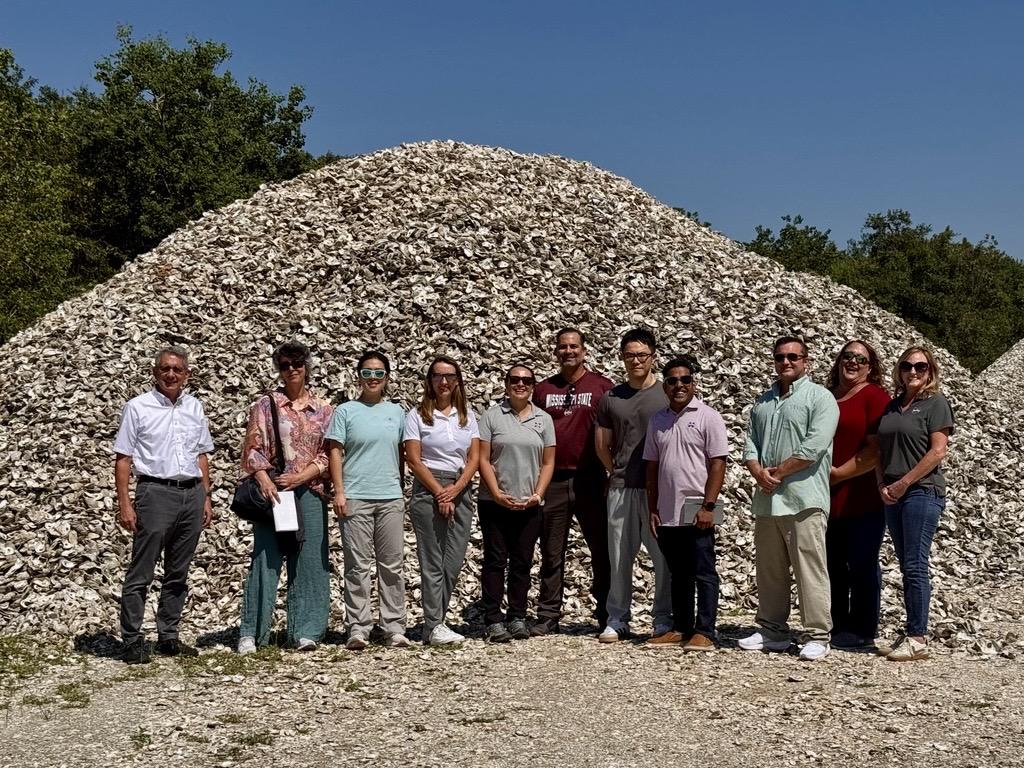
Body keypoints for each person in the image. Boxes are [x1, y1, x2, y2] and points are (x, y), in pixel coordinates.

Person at [739, 336, 839, 661]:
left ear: (805, 360)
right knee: (770, 570)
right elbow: (750, 443)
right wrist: (758, 472)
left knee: (810, 568)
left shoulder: (821, 398)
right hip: (767, 500)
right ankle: (773, 632)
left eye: (793, 357)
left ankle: (818, 635)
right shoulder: (763, 401)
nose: (786, 362)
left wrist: (777, 473)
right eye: (780, 357)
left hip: (803, 499)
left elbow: (814, 448)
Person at [113, 346, 214, 664]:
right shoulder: (137, 407)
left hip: (191, 492)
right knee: (142, 569)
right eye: (165, 369)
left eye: (177, 370)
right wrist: (125, 503)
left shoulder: (195, 407)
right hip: (155, 493)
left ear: (187, 375)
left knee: (178, 571)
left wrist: (206, 496)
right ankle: (131, 639)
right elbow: (124, 458)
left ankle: (168, 635)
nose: (171, 374)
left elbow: (201, 455)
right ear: (155, 372)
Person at [236, 342, 333, 654]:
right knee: (266, 556)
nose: (292, 369)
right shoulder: (266, 405)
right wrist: (264, 478)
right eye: (284, 365)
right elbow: (253, 446)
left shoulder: (324, 409)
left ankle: (306, 631)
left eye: (297, 363)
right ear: (278, 369)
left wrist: (302, 477)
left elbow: (329, 454)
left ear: (307, 366)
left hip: (310, 491)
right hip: (275, 491)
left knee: (311, 561)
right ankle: (251, 632)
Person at [531, 328, 614, 635]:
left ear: (584, 350)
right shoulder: (542, 390)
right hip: (553, 479)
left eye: (574, 346)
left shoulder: (602, 386)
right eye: (563, 347)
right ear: (556, 352)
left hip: (590, 478)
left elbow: (613, 431)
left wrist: (612, 472)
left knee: (601, 548)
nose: (568, 351)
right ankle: (549, 613)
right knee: (552, 550)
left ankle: (607, 611)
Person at [643, 356, 729, 650]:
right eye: (672, 380)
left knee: (704, 570)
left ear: (694, 382)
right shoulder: (658, 420)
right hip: (667, 510)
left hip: (698, 507)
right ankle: (681, 627)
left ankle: (706, 630)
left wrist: (709, 506)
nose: (679, 385)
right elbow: (652, 468)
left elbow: (718, 463)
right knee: (678, 573)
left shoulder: (708, 417)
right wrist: (652, 508)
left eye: (685, 380)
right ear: (665, 385)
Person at [876, 346, 954, 662]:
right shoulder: (892, 407)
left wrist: (903, 482)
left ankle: (918, 638)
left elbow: (938, 451)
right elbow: (880, 451)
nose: (913, 372)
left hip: (921, 491)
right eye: (907, 366)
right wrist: (882, 484)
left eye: (920, 367)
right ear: (900, 370)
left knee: (915, 563)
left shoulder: (936, 404)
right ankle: (911, 632)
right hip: (892, 493)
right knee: (906, 562)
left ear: (930, 371)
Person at [326, 351, 408, 650]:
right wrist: (339, 490)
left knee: (392, 565)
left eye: (378, 373)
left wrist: (400, 487)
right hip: (356, 495)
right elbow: (335, 451)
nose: (372, 379)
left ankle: (394, 626)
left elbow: (403, 453)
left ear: (386, 377)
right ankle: (357, 627)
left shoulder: (397, 412)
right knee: (357, 565)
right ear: (358, 376)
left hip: (390, 497)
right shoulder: (346, 411)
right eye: (367, 373)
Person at [595, 327, 672, 643]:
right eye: (630, 355)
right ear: (622, 358)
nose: (636, 360)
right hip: (623, 487)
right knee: (619, 557)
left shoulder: (669, 393)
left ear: (653, 356)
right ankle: (617, 618)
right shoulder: (612, 398)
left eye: (642, 355)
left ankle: (663, 619)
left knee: (664, 557)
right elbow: (602, 445)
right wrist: (616, 472)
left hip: (662, 491)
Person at [404, 356, 480, 645]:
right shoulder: (417, 415)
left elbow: (474, 458)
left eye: (449, 376)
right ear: (430, 381)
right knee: (432, 559)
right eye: (438, 376)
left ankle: (437, 621)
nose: (444, 382)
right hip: (429, 485)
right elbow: (413, 458)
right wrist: (439, 491)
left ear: (458, 381)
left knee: (454, 559)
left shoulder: (467, 416)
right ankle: (434, 623)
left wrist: (456, 489)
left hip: (460, 486)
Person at [478, 364, 556, 643]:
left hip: (529, 503)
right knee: (495, 560)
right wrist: (497, 492)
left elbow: (548, 462)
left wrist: (538, 493)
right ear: (506, 383)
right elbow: (482, 458)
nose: (520, 384)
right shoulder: (491, 416)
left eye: (526, 380)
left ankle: (518, 616)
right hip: (494, 502)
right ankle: (493, 619)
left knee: (522, 562)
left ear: (533, 385)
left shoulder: (544, 419)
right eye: (515, 380)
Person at [825, 340, 891, 650]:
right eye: (848, 356)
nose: (853, 362)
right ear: (839, 361)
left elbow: (876, 450)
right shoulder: (826, 397)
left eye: (861, 359)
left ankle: (864, 627)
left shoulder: (874, 397)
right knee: (832, 562)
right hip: (825, 496)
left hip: (861, 495)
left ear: (870, 367)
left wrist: (838, 473)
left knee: (862, 562)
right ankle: (836, 624)